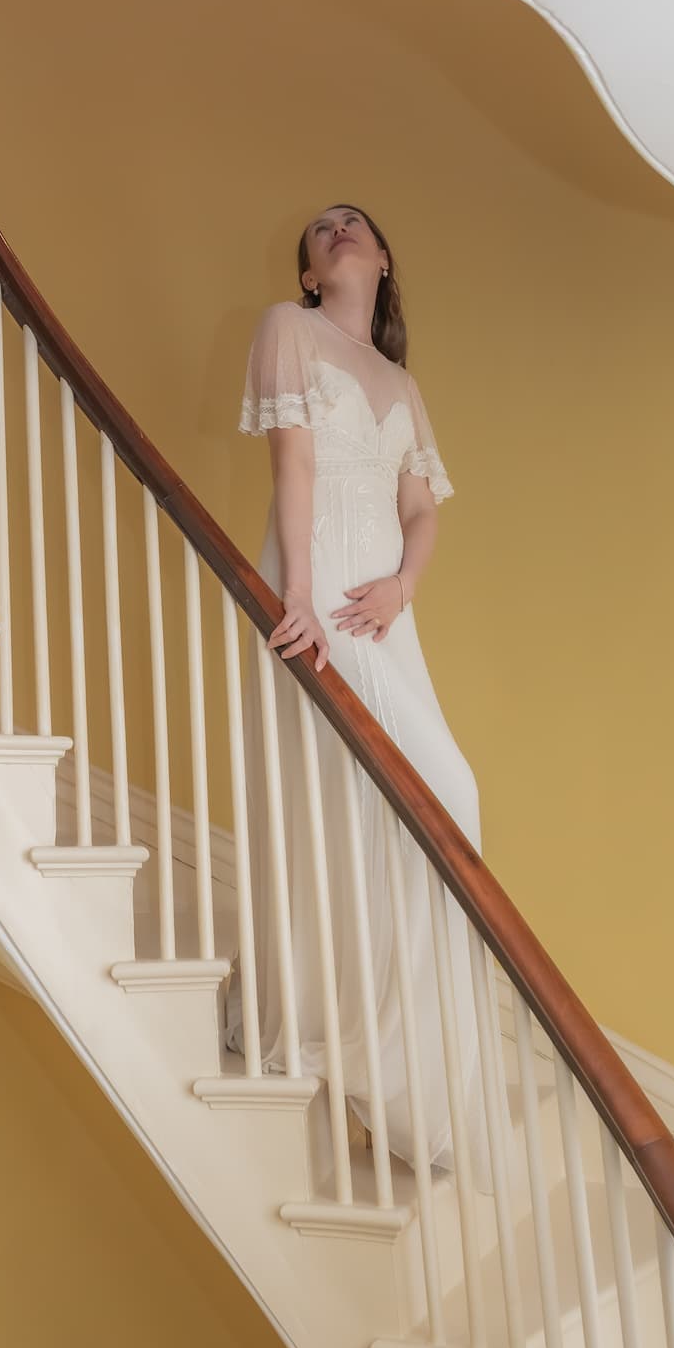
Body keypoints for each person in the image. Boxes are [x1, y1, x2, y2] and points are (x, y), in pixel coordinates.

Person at [224, 203, 491, 1189]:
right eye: (318, 228)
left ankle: (399, 1058)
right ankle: (317, 1013)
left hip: (382, 607)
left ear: (380, 257)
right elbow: (289, 460)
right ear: (306, 269)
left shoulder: (402, 383)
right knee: (330, 798)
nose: (335, 230)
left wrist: (400, 590)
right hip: (314, 584)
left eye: (353, 223)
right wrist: (295, 592)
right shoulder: (282, 328)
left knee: (439, 804)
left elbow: (419, 512)